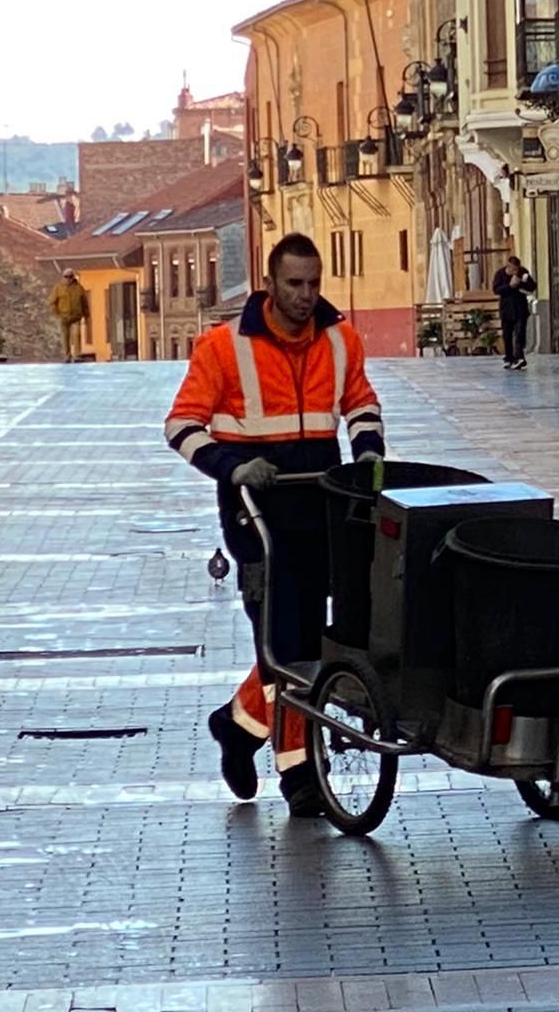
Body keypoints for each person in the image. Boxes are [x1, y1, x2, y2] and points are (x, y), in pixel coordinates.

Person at [163, 232, 386, 818]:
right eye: (294, 284)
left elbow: (360, 403)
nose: (306, 295)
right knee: (285, 641)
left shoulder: (340, 339)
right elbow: (182, 426)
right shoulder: (223, 347)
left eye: (314, 283)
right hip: (256, 512)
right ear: (269, 282)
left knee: (309, 643)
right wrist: (234, 465)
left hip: (323, 506)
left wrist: (368, 452)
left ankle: (237, 727)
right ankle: (301, 775)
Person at [492, 255, 537, 370]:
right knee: (507, 334)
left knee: (519, 333)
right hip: (506, 309)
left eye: (517, 269)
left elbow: (532, 286)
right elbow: (496, 290)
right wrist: (510, 286)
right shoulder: (500, 274)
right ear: (508, 267)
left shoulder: (523, 272)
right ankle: (509, 357)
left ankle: (519, 357)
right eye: (513, 269)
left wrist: (521, 283)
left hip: (520, 308)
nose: (515, 271)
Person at [49, 268, 87, 361]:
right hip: (63, 317)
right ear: (63, 277)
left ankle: (77, 355)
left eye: (70, 276)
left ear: (73, 276)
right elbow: (52, 302)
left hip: (76, 317)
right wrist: (56, 314)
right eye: (66, 277)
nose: (68, 279)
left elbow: (84, 302)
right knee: (65, 337)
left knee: (77, 335)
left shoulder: (79, 287)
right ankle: (67, 355)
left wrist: (87, 315)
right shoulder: (58, 288)